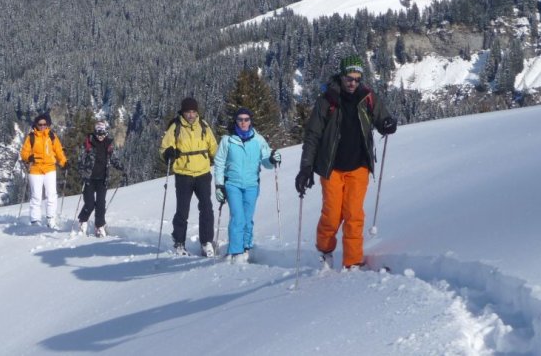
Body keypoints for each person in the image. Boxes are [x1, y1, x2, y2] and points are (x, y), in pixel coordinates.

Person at [295, 55, 397, 270]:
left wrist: (388, 124)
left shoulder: (368, 98)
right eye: (349, 78)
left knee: (354, 215)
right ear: (341, 76)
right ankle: (324, 250)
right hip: (331, 168)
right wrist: (306, 168)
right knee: (332, 216)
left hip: (359, 166)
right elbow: (312, 135)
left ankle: (353, 262)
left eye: (357, 78)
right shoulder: (327, 101)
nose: (353, 83)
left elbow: (382, 119)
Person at [213, 107, 282, 264]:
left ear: (250, 121)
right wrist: (219, 185)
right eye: (240, 119)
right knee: (237, 217)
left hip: (252, 185)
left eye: (246, 119)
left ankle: (246, 247)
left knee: (247, 218)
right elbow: (219, 163)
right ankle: (235, 251)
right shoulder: (227, 140)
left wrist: (272, 159)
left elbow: (266, 160)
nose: (243, 122)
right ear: (236, 121)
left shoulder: (258, 140)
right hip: (233, 184)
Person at [159, 97, 219, 257]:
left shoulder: (204, 126)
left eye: (193, 111)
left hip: (203, 173)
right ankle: (179, 242)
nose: (191, 115)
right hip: (184, 174)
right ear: (183, 112)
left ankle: (206, 242)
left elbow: (213, 147)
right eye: (188, 112)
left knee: (206, 208)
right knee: (182, 210)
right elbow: (164, 147)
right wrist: (168, 153)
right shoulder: (176, 127)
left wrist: (222, 160)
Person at [76, 120, 125, 237]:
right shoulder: (88, 143)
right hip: (89, 178)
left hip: (103, 179)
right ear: (95, 132)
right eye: (98, 133)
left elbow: (114, 159)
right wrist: (83, 174)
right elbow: (80, 160)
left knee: (101, 204)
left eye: (103, 133)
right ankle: (83, 221)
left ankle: (99, 225)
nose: (101, 136)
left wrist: (122, 168)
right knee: (89, 204)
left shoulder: (108, 144)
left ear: (106, 132)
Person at [20, 113, 68, 229]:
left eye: (44, 124)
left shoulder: (51, 136)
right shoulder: (31, 137)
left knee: (51, 195)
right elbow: (24, 152)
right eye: (40, 124)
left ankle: (51, 219)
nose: (42, 126)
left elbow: (58, 150)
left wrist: (64, 162)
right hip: (35, 169)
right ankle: (35, 220)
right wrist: (28, 158)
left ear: (48, 124)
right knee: (36, 196)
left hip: (50, 168)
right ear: (36, 124)